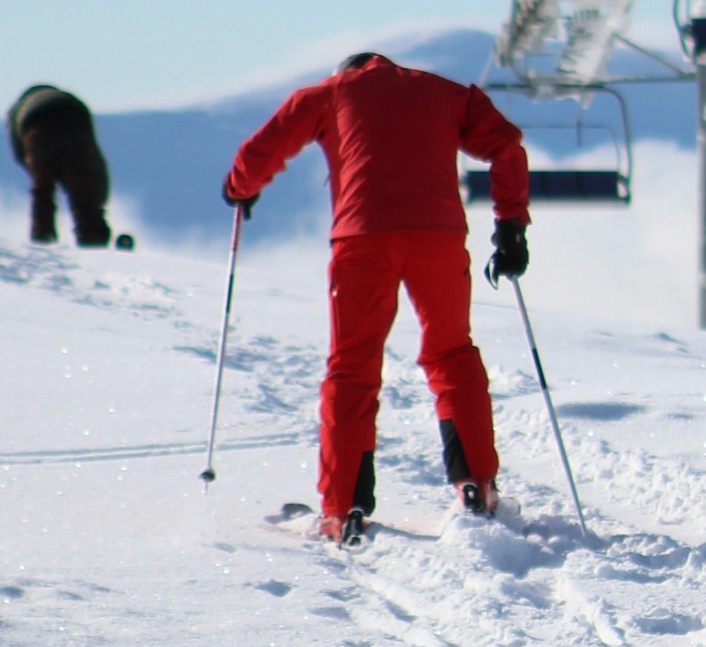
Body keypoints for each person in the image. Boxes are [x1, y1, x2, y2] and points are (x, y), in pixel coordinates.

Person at [222, 49, 529, 542]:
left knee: (352, 366)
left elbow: (262, 147)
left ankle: (342, 510)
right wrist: (511, 226)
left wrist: (240, 188)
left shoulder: (328, 93)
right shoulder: (443, 91)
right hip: (438, 238)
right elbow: (506, 145)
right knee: (452, 351)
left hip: (362, 242)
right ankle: (477, 487)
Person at [6, 84, 128, 249]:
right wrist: (98, 200)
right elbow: (96, 163)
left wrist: (42, 174)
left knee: (43, 191)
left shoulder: (17, 112)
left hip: (36, 129)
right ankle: (92, 241)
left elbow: (21, 156)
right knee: (83, 190)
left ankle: (43, 241)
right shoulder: (65, 100)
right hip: (75, 120)